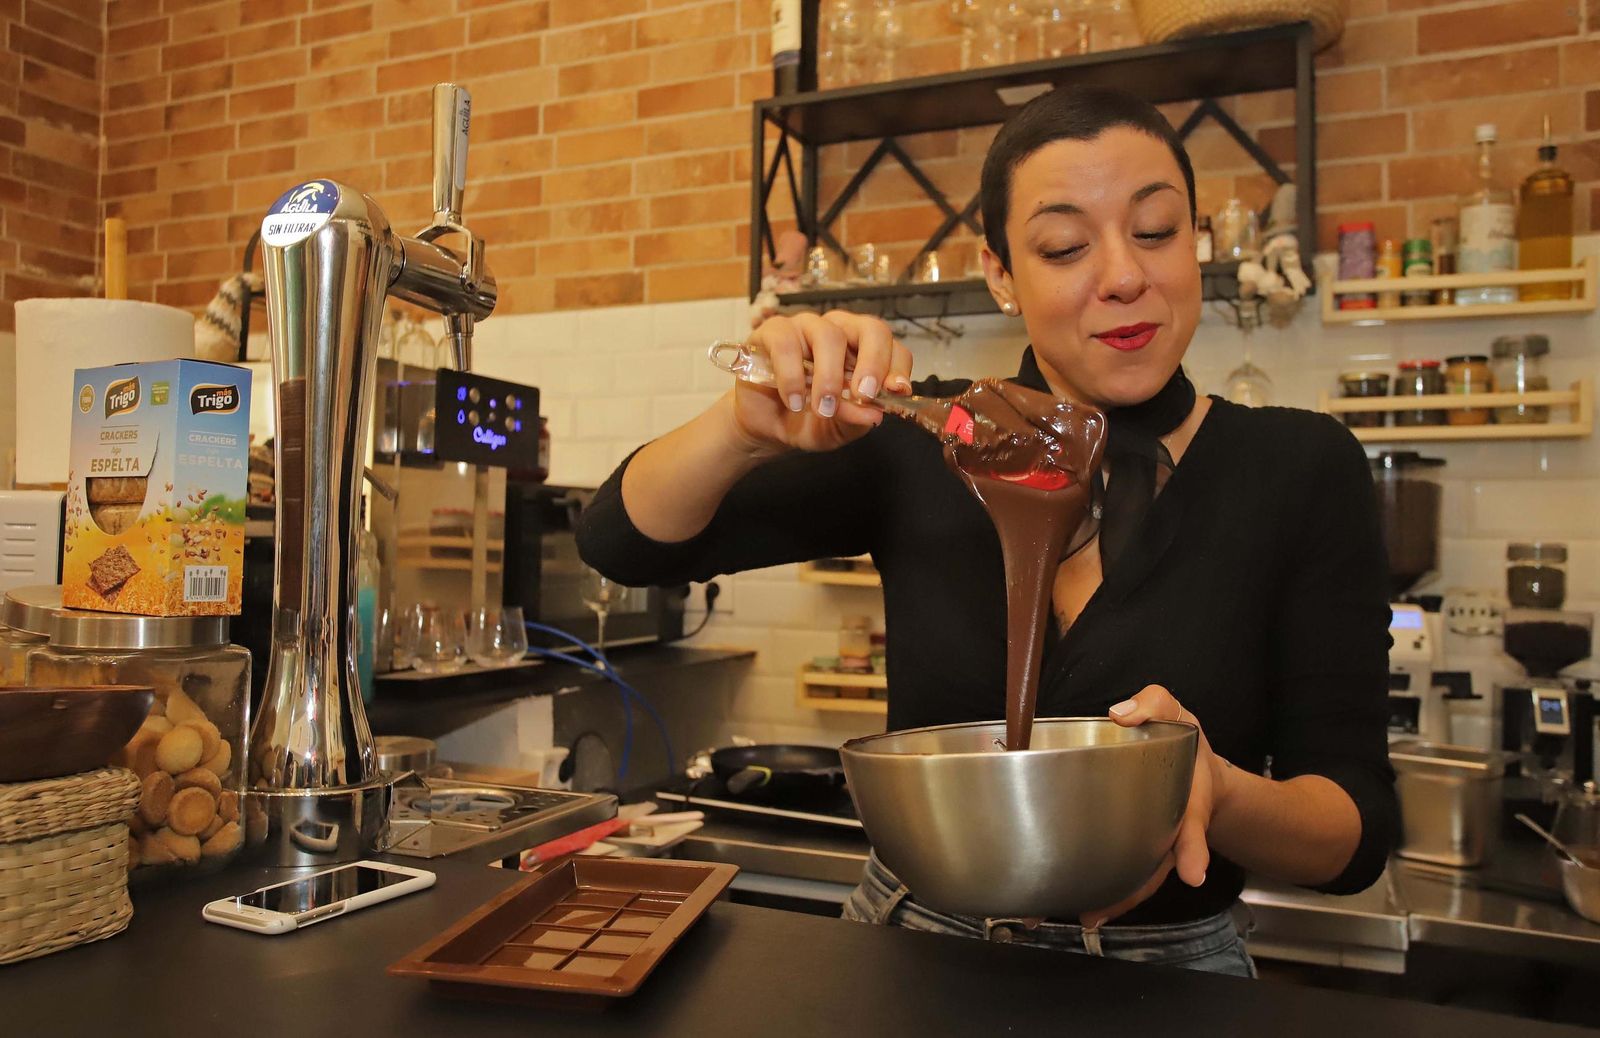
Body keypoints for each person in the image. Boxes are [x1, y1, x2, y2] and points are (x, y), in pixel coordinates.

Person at [576, 86, 1398, 978]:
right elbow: (621, 542)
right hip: (914, 950)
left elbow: (1353, 837)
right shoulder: (917, 447)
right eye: (1064, 246)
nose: (1124, 274)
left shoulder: (1299, 467)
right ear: (1001, 274)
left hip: (1174, 977)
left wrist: (1220, 791)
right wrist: (741, 428)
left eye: (1157, 230)